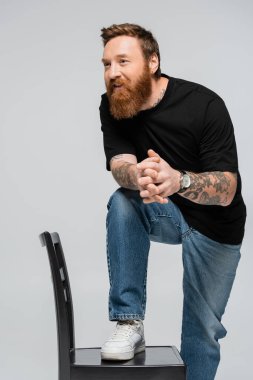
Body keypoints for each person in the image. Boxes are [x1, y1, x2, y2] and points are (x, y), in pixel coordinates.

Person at [99, 23, 246, 380]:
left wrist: (177, 179)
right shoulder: (113, 105)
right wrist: (141, 177)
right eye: (106, 64)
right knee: (123, 201)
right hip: (166, 211)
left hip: (216, 225)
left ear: (153, 62)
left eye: (122, 61)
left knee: (202, 332)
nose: (112, 73)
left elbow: (227, 188)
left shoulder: (204, 105)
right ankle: (129, 321)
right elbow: (120, 163)